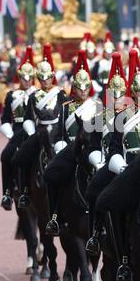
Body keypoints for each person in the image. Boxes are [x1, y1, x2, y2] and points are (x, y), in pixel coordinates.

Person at [87, 48, 140, 281]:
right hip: (129, 170)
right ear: (134, 93)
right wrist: (120, 166)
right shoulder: (122, 116)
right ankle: (105, 244)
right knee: (101, 195)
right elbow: (114, 147)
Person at [43, 50, 97, 236]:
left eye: (85, 87)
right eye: (79, 87)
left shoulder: (96, 108)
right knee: (50, 175)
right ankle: (55, 217)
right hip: (70, 151)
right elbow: (59, 135)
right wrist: (60, 148)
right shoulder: (66, 109)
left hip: (92, 152)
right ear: (74, 87)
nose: (83, 90)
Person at [12, 43, 67, 209]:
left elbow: (65, 115)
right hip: (40, 131)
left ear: (52, 76)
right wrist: (30, 131)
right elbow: (28, 117)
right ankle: (26, 191)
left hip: (58, 131)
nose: (45, 81)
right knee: (21, 156)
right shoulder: (34, 96)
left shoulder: (60, 93)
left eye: (48, 78)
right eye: (41, 78)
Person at [85, 51, 128, 255]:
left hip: (131, 167)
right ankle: (95, 231)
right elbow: (94, 147)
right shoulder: (99, 117)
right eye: (114, 95)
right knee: (93, 191)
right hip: (107, 165)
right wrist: (99, 163)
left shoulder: (134, 116)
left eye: (121, 95)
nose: (117, 99)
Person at [0, 46, 36, 210]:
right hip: (18, 132)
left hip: (36, 131)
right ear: (19, 77)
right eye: (24, 78)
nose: (27, 81)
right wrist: (9, 134)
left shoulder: (39, 94)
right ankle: (7, 193)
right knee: (6, 155)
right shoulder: (11, 95)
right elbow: (5, 119)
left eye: (29, 78)